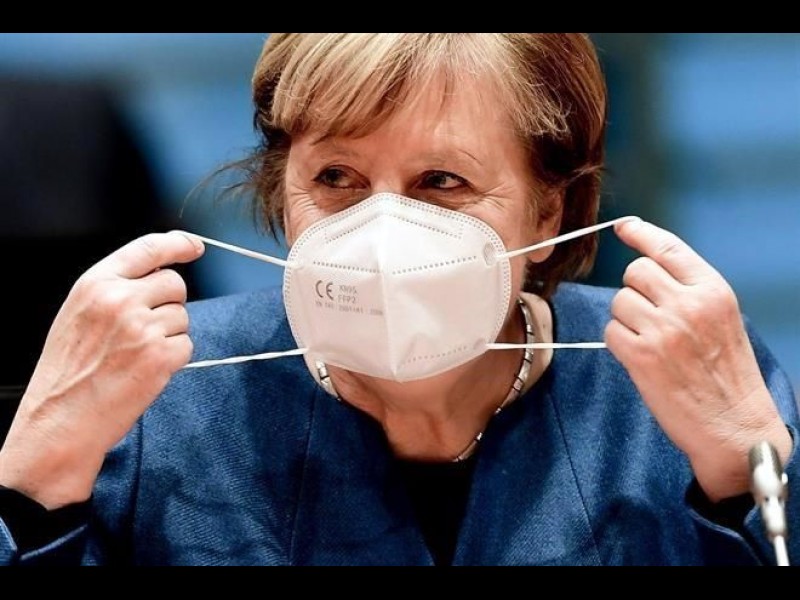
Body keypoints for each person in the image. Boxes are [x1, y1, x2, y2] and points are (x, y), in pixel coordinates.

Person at [0, 33, 796, 566]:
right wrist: (33, 474)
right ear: (281, 191)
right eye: (336, 178)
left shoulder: (670, 386)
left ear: (546, 215)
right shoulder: (158, 394)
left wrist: (742, 467)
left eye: (441, 181)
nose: (382, 231)